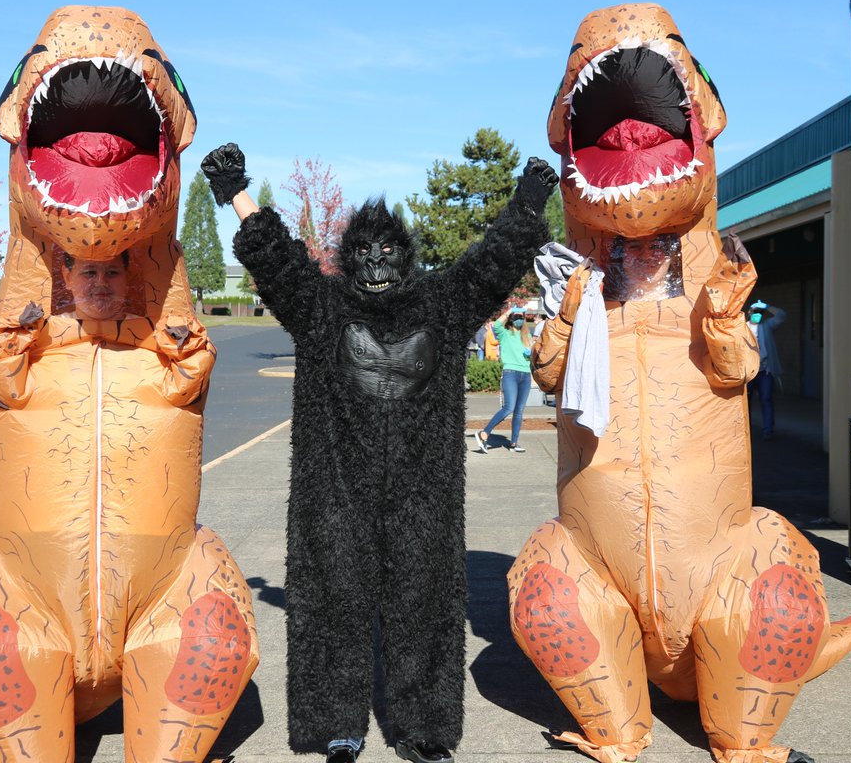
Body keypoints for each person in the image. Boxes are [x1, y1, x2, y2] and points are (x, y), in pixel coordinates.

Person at [201, 142, 558, 763]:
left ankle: (424, 728)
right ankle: (336, 724)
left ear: (407, 257)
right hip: (334, 486)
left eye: (388, 250)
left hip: (424, 491)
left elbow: (491, 264)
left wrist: (529, 200)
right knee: (331, 601)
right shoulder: (322, 308)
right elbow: (278, 259)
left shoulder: (441, 307)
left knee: (426, 602)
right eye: (363, 251)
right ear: (347, 258)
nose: (375, 261)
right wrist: (235, 190)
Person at [475, 306, 533, 453]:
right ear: (512, 319)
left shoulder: (527, 336)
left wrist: (530, 352)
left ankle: (513, 443)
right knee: (508, 408)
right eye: (516, 317)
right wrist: (508, 312)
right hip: (510, 374)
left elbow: (530, 354)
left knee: (519, 411)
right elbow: (497, 325)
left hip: (525, 375)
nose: (519, 320)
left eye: (521, 317)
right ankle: (484, 433)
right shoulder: (504, 334)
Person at [747, 299, 786, 439]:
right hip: (748, 372)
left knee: (766, 399)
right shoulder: (743, 328)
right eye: (755, 312)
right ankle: (746, 432)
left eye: (760, 312)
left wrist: (767, 306)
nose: (757, 315)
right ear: (749, 313)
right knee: (745, 402)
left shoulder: (766, 326)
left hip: (765, 371)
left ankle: (768, 431)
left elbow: (781, 315)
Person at [60, 251, 132, 320]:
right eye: (90, 273)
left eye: (112, 272)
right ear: (68, 278)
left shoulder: (143, 329)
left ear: (127, 277)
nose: (101, 283)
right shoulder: (51, 328)